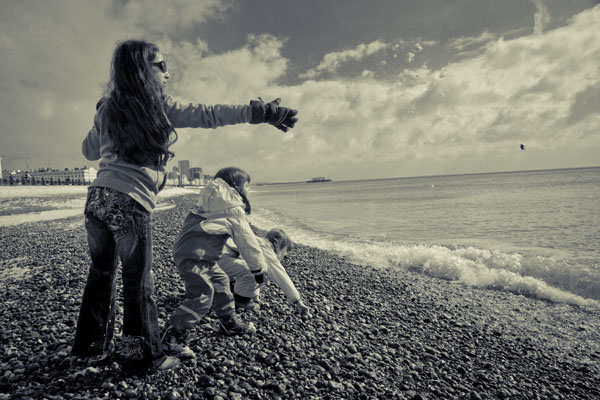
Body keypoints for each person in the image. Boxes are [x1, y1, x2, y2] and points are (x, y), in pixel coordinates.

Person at [71, 39, 298, 375]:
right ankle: (139, 358)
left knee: (101, 277)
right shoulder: (157, 105)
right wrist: (262, 113)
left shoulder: (108, 107)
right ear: (142, 69)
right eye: (161, 65)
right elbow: (211, 115)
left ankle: (90, 351)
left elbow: (89, 151)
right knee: (137, 283)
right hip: (129, 202)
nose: (167, 72)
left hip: (97, 200)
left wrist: (100, 116)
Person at [162, 167, 268, 355]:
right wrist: (258, 269)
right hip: (196, 257)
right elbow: (247, 242)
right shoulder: (232, 209)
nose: (249, 190)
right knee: (202, 297)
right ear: (237, 187)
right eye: (247, 186)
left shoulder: (210, 201)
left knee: (221, 282)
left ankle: (228, 322)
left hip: (198, 255)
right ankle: (171, 336)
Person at [219, 228, 309, 316]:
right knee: (255, 269)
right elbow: (281, 276)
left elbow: (253, 260)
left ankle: (229, 288)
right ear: (277, 244)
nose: (283, 256)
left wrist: (255, 295)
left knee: (254, 266)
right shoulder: (266, 247)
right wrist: (298, 301)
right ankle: (241, 300)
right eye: (285, 251)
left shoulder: (256, 240)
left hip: (216, 257)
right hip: (219, 262)